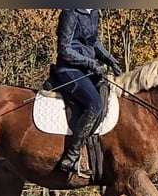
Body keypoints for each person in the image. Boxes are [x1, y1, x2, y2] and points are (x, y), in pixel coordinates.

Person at [52, 9, 122, 176]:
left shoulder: (93, 12)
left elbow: (94, 41)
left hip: (86, 69)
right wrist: (90, 63)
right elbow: (64, 48)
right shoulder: (70, 13)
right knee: (95, 104)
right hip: (69, 69)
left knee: (106, 93)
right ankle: (71, 156)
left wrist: (110, 59)